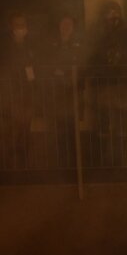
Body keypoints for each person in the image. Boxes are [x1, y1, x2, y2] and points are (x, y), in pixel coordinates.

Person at [86, 1, 127, 166]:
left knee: (122, 124)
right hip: (103, 85)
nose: (113, 17)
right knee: (103, 123)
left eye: (116, 13)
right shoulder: (98, 34)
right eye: (109, 13)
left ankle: (121, 159)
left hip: (122, 84)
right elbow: (91, 58)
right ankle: (102, 160)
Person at [0, 12, 38, 169]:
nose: (20, 28)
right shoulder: (4, 46)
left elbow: (35, 66)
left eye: (23, 24)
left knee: (24, 129)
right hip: (8, 95)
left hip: (26, 94)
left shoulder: (31, 45)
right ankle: (8, 164)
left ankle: (23, 163)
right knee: (9, 130)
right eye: (17, 25)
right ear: (11, 27)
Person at [49, 13, 84, 167]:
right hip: (56, 91)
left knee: (72, 124)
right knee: (58, 125)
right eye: (63, 23)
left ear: (74, 27)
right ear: (59, 25)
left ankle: (74, 160)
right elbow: (46, 63)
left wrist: (72, 74)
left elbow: (83, 64)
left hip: (73, 91)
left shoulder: (79, 44)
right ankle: (60, 160)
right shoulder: (52, 43)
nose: (66, 27)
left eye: (69, 24)